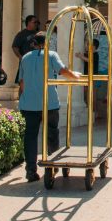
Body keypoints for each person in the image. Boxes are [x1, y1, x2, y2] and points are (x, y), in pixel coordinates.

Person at [18, 32, 79, 182]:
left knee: (30, 137)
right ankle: (52, 165)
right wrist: (75, 76)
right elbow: (62, 71)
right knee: (51, 133)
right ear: (47, 43)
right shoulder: (51, 55)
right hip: (49, 102)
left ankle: (30, 170)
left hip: (28, 104)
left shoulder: (25, 58)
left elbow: (22, 82)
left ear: (33, 43)